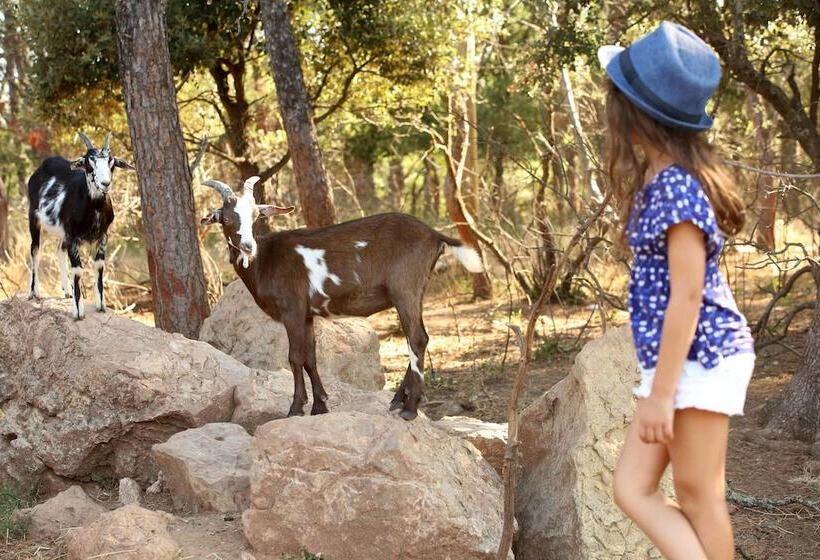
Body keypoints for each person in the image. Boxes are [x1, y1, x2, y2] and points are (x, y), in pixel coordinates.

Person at [598, 22, 755, 559]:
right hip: (678, 359)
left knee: (697, 494)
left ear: (635, 114)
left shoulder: (677, 190)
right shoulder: (661, 180)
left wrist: (660, 394)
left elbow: (687, 297)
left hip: (704, 356)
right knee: (632, 488)